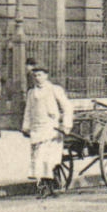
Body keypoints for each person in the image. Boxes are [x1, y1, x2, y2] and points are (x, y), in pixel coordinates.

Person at [23, 66, 72, 198]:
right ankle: (48, 186)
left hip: (51, 129)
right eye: (35, 76)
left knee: (46, 159)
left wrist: (66, 125)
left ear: (46, 75)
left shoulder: (54, 89)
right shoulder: (31, 93)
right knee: (37, 159)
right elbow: (28, 110)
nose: (38, 78)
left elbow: (67, 107)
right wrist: (26, 126)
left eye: (40, 75)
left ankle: (48, 187)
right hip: (37, 129)